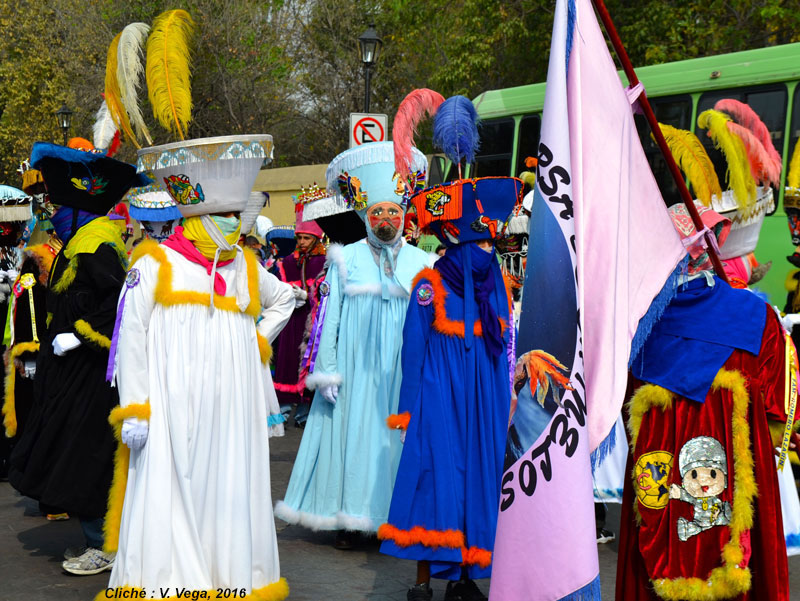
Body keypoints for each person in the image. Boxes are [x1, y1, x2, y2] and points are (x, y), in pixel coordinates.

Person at [103, 134, 294, 600]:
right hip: (172, 406)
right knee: (172, 488)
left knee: (227, 491)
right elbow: (131, 335)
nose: (233, 225)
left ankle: (227, 581)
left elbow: (284, 299)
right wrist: (136, 408)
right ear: (196, 219)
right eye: (224, 217)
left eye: (236, 217)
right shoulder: (154, 262)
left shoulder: (244, 266)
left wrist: (253, 344)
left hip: (231, 411)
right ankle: (172, 585)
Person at [377, 92, 520, 601]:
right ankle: (457, 579)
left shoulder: (437, 281)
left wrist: (406, 411)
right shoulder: (482, 281)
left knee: (439, 480)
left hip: (450, 397)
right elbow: (504, 343)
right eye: (482, 242)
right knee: (465, 479)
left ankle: (442, 582)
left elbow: (412, 353)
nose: (485, 250)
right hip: (471, 397)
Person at [616, 203, 799, 601]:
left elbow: (621, 402)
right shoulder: (758, 318)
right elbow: (779, 412)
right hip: (736, 483)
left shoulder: (637, 325)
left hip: (660, 487)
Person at [274, 141, 431, 549]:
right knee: (351, 438)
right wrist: (325, 369)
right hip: (354, 366)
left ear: (403, 215)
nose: (385, 219)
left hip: (401, 368)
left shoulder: (423, 263)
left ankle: (387, 520)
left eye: (393, 212)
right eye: (377, 211)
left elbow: (433, 322)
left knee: (388, 440)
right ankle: (347, 520)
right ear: (365, 214)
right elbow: (330, 320)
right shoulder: (345, 259)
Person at [8, 141, 146, 574]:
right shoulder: (79, 243)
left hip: (91, 376)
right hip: (70, 373)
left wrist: (80, 338)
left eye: (59, 211)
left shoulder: (97, 248)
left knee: (84, 455)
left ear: (80, 212)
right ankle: (102, 539)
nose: (53, 219)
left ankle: (105, 544)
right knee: (67, 449)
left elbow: (118, 307)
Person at [274, 192, 326, 427]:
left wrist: (310, 295)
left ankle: (304, 411)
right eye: (300, 237)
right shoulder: (286, 263)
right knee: (286, 361)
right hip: (290, 320)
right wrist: (288, 294)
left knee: (307, 361)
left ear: (316, 238)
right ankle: (283, 408)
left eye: (307, 237)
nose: (302, 242)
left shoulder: (323, 262)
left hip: (312, 320)